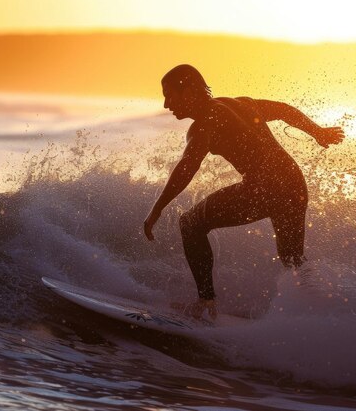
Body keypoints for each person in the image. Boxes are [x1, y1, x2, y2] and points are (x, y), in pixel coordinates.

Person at [143, 64, 344, 319]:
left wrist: (157, 209)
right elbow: (283, 110)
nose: (166, 104)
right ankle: (324, 314)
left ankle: (205, 305)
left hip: (264, 188)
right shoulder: (241, 103)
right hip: (293, 183)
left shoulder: (204, 123)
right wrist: (317, 131)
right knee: (292, 259)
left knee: (190, 223)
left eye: (169, 94)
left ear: (190, 92)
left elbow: (186, 168)